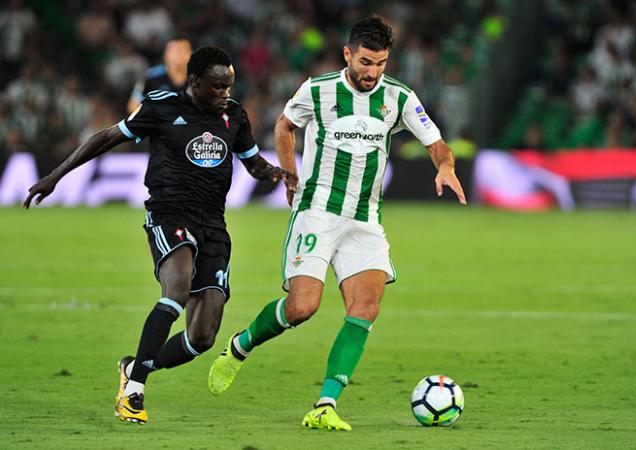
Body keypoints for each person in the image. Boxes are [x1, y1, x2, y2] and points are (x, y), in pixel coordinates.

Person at [207, 15, 466, 431]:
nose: (372, 72)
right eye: (365, 62)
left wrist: (445, 166)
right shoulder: (317, 89)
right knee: (302, 307)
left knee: (366, 307)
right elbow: (285, 126)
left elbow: (436, 143)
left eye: (380, 63)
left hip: (365, 220)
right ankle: (240, 346)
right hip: (317, 212)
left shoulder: (399, 98)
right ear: (348, 54)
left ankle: (325, 405)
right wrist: (289, 173)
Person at [24, 46, 295, 424]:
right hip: (170, 214)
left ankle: (135, 366)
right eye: (217, 87)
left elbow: (252, 163)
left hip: (213, 224)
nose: (225, 94)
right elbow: (105, 138)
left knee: (202, 337)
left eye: (229, 86)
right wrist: (56, 175)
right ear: (195, 82)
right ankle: (134, 392)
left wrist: (276, 173)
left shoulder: (234, 115)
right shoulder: (161, 106)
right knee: (177, 290)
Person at [126, 35, 192, 113]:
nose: (179, 55)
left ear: (190, 54)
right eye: (176, 51)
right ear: (165, 55)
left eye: (184, 50)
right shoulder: (151, 77)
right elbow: (133, 106)